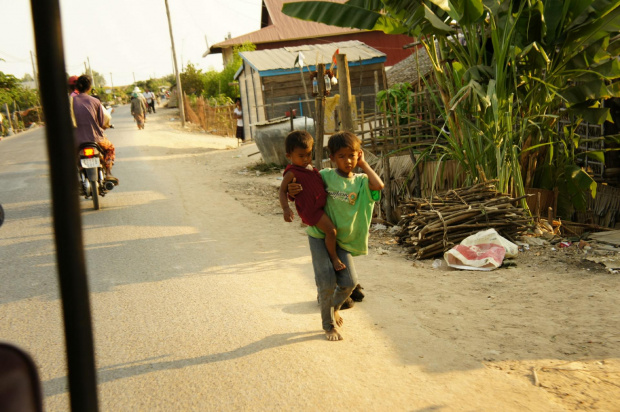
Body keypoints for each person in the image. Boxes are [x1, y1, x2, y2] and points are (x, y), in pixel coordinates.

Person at [288, 131, 384, 341]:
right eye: (341, 156)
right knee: (326, 282)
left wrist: (364, 165)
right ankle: (328, 325)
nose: (348, 160)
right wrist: (292, 191)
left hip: (343, 241)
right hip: (319, 236)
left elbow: (378, 186)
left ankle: (334, 307)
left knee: (349, 282)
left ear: (359, 155)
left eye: (352, 155)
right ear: (332, 157)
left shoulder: (360, 181)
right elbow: (300, 186)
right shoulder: (323, 176)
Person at [279, 130, 345, 271]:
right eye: (301, 156)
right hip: (311, 210)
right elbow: (282, 191)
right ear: (289, 156)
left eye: (309, 154)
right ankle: (334, 259)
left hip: (320, 206)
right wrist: (286, 209)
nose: (306, 159)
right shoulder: (292, 172)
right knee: (331, 231)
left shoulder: (310, 168)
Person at [71, 75, 118, 184]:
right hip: (96, 140)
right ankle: (109, 173)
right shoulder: (95, 101)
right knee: (110, 149)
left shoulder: (70, 102)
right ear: (89, 87)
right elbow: (101, 123)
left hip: (76, 142)